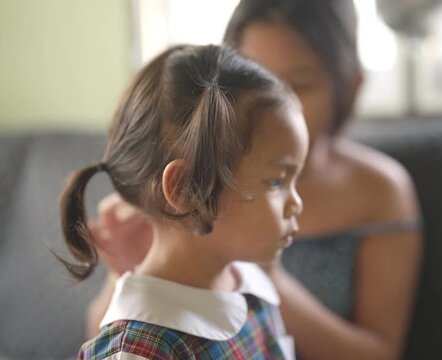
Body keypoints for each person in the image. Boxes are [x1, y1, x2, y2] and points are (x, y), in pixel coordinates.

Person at [88, 0, 424, 359]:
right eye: (256, 77)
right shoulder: (180, 190)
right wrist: (124, 272)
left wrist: (266, 278)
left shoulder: (377, 192)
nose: (271, 104)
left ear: (349, 84)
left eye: (298, 83)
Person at [59, 44, 308, 359]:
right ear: (185, 189)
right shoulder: (142, 349)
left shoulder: (249, 284)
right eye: (277, 181)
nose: (296, 203)